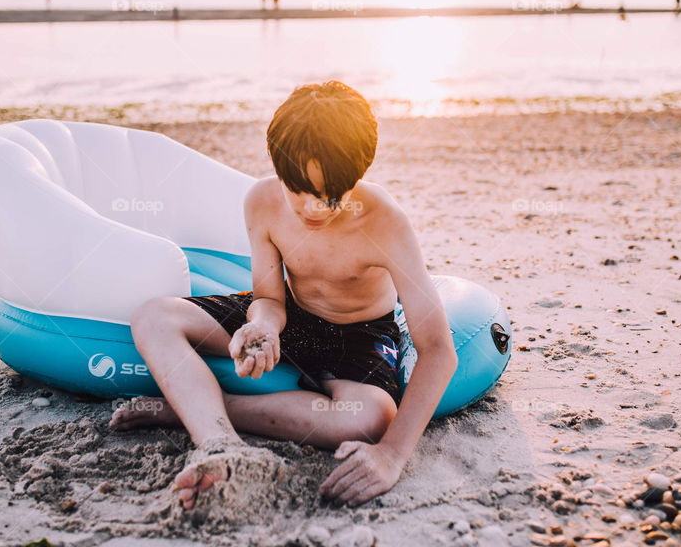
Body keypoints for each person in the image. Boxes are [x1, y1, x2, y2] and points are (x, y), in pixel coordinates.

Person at [110, 81, 457, 510]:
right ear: (280, 171)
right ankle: (219, 444)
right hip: (293, 316)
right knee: (153, 317)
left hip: (359, 334)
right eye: (300, 191)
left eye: (331, 195)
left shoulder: (385, 223)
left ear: (359, 174)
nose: (314, 209)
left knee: (369, 419)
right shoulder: (262, 200)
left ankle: (196, 408)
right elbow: (269, 297)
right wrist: (264, 326)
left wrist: (391, 454)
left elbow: (439, 350)